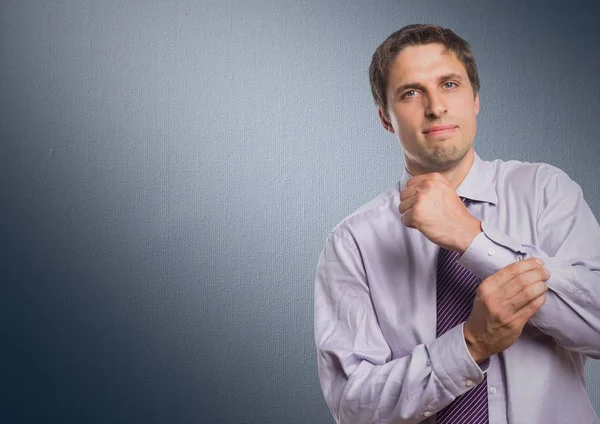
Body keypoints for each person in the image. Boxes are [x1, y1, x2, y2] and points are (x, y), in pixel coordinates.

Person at [313, 24, 600, 424]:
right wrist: (470, 344)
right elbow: (353, 407)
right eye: (411, 92)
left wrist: (471, 237)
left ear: (475, 98)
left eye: (449, 84)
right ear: (385, 118)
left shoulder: (546, 191)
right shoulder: (352, 242)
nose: (436, 107)